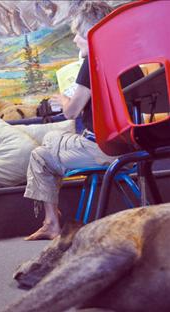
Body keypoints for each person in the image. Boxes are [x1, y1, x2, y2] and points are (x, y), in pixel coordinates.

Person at [23, 1, 144, 240]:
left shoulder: (92, 62)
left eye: (78, 34)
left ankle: (52, 224)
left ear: (91, 34)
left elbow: (71, 112)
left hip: (101, 149)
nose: (75, 39)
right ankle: (51, 223)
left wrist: (62, 100)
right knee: (44, 152)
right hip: (131, 147)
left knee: (44, 147)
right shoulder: (128, 59)